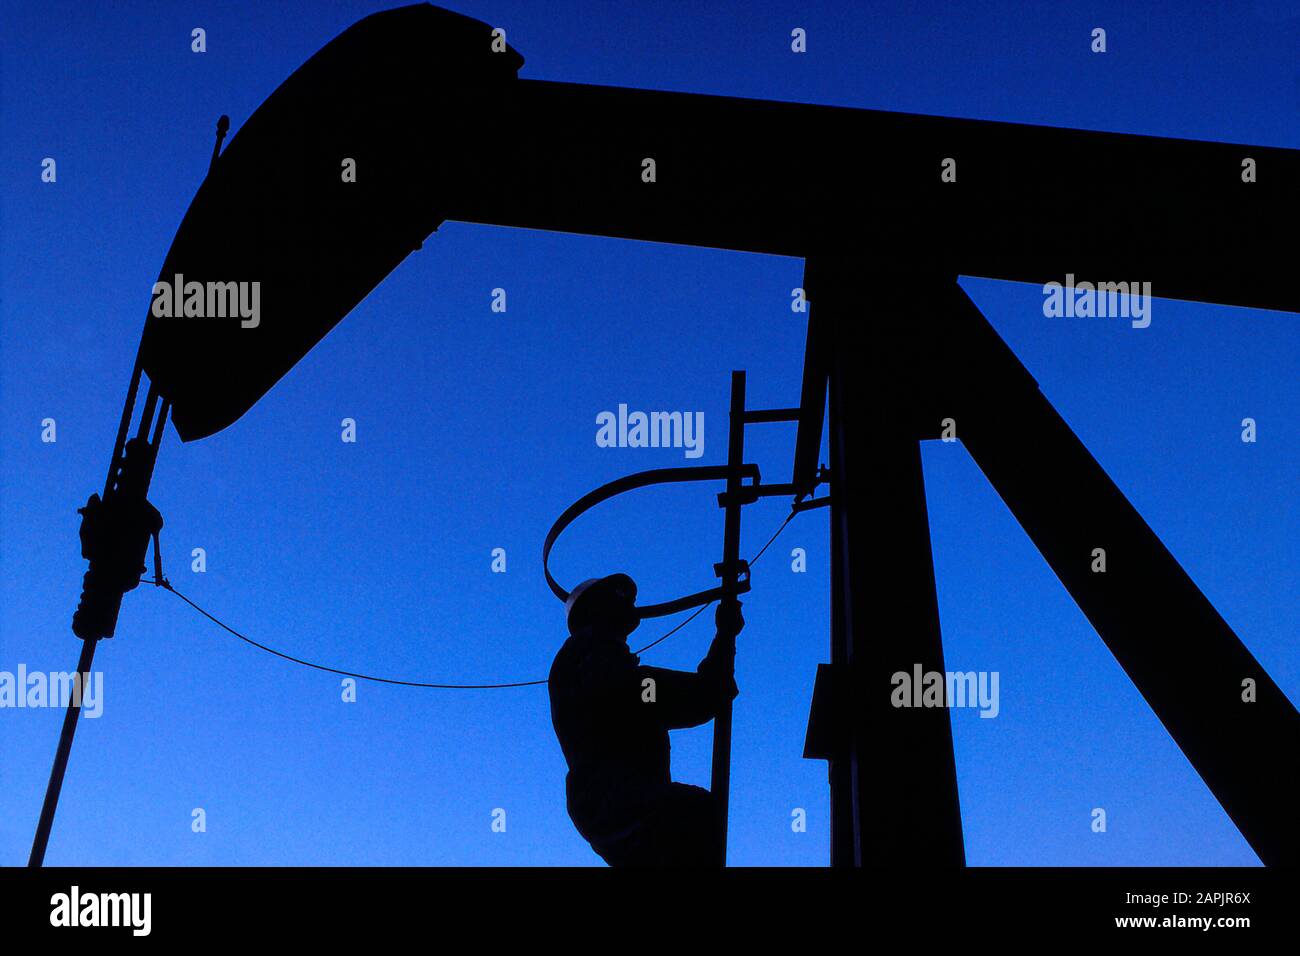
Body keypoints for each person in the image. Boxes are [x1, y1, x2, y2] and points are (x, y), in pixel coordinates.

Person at [548, 573, 742, 866]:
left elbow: (697, 696)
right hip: (620, 804)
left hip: (610, 807)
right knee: (697, 812)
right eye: (619, 599)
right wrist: (725, 635)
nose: (631, 606)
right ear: (597, 611)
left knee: (694, 815)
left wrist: (724, 640)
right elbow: (701, 696)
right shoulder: (596, 665)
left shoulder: (595, 667)